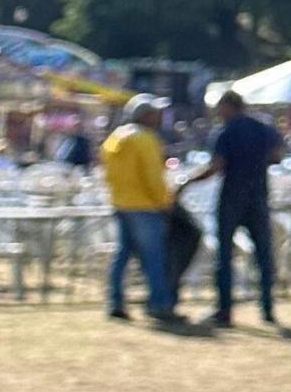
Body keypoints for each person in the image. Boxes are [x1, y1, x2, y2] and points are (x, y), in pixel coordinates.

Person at [183, 89, 281, 326]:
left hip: (232, 198)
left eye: (220, 109)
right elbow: (277, 157)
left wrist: (188, 182)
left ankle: (224, 310)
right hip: (258, 197)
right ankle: (267, 308)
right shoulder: (264, 129)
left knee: (224, 255)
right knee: (264, 256)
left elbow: (216, 166)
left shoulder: (225, 132)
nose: (218, 114)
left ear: (228, 107)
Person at [103, 94, 182, 324]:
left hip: (121, 203)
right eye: (156, 113)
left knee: (122, 256)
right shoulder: (146, 139)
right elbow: (153, 177)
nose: (159, 117)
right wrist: (165, 202)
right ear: (145, 115)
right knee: (154, 258)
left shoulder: (114, 139)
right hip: (145, 206)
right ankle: (160, 305)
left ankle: (116, 301)